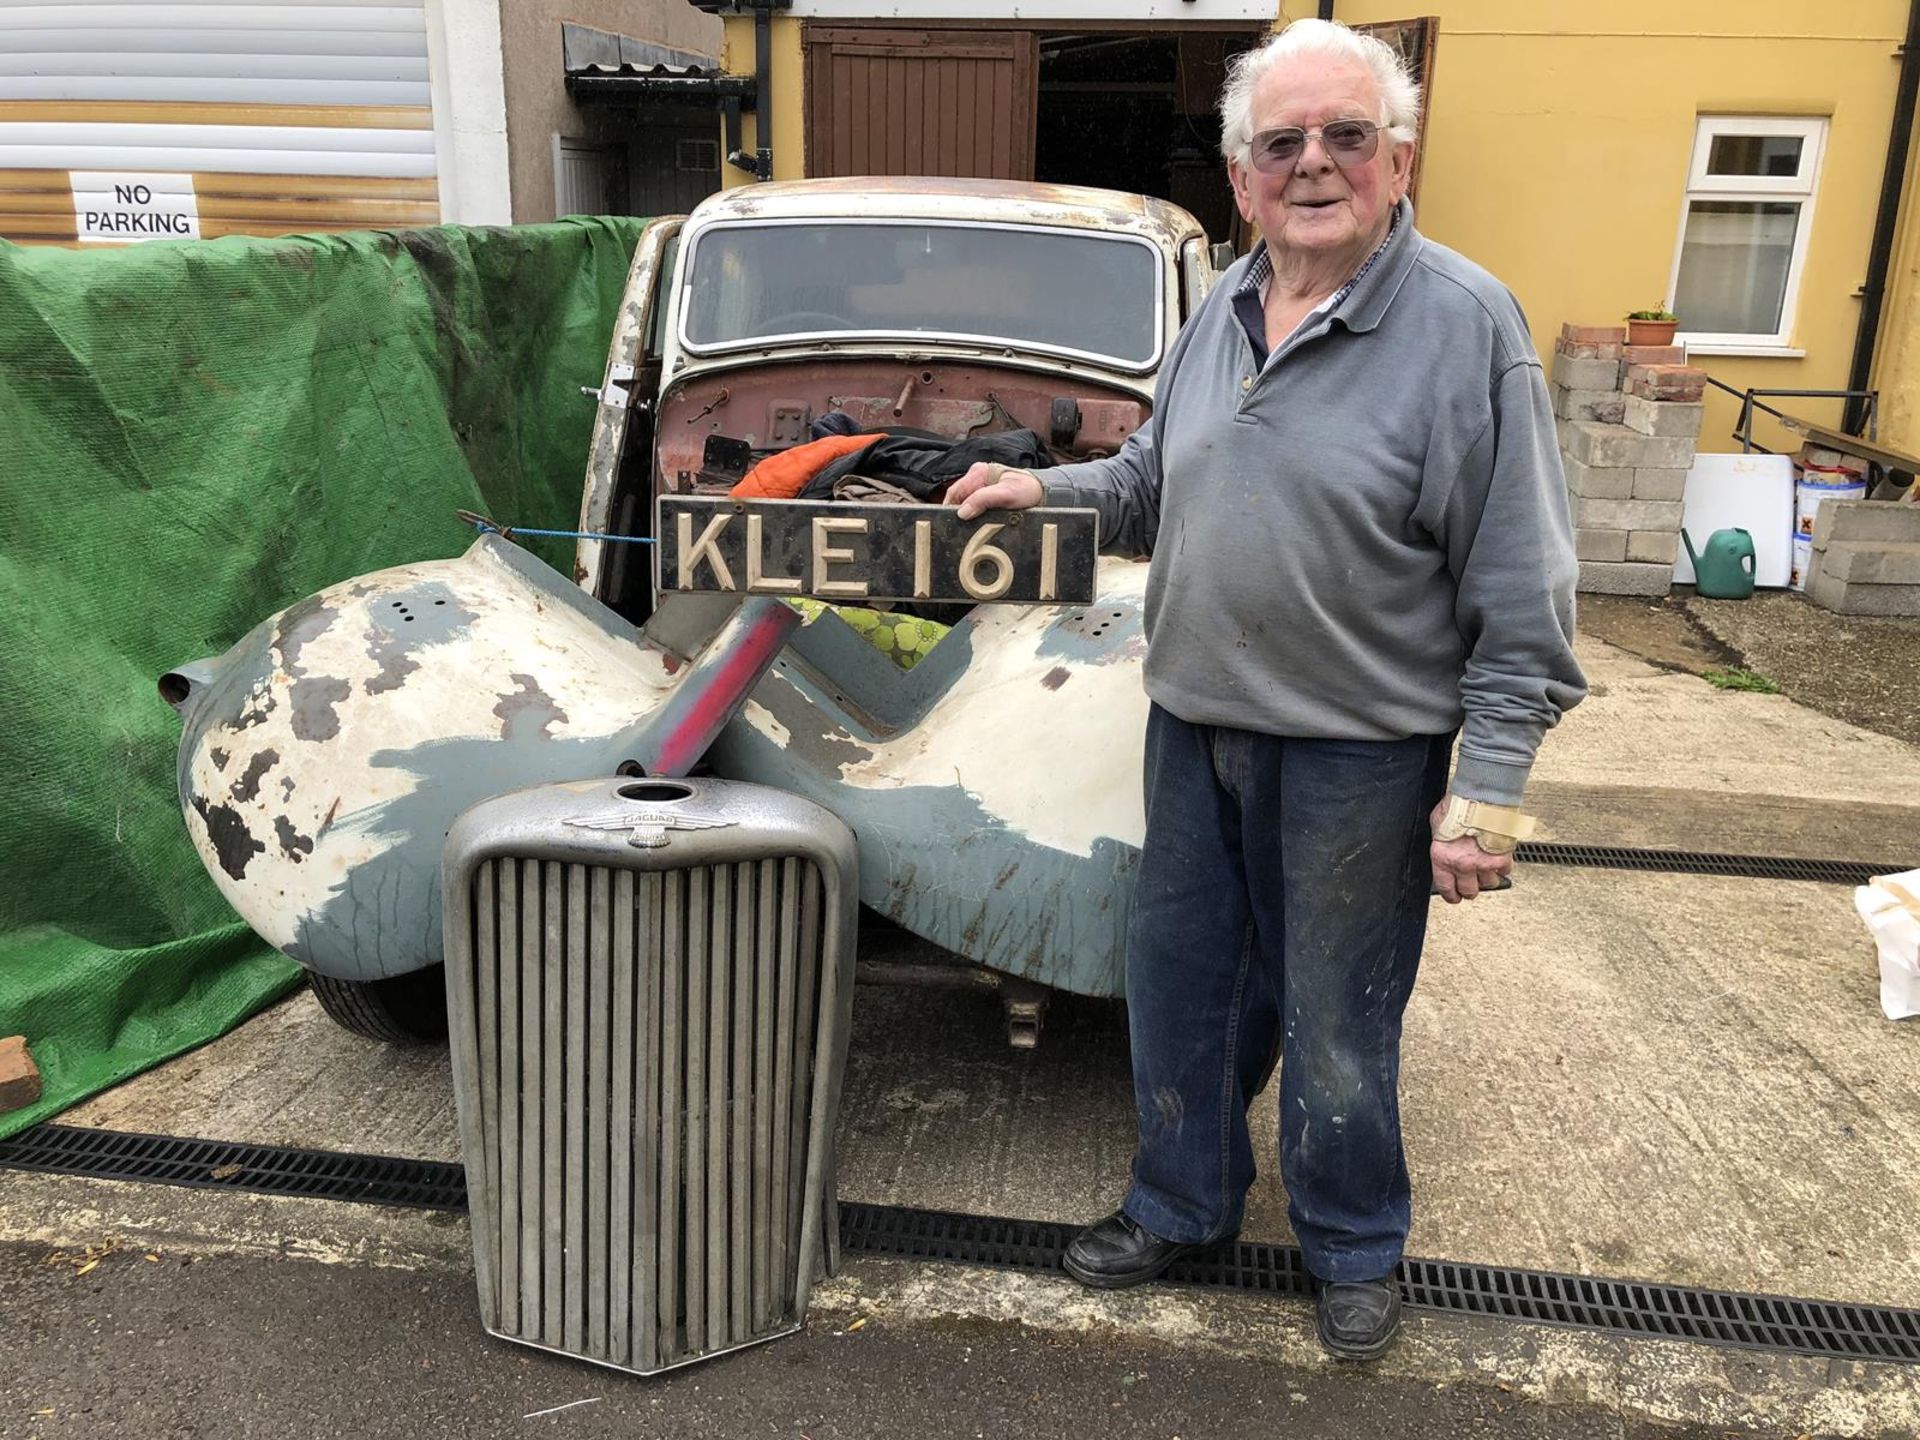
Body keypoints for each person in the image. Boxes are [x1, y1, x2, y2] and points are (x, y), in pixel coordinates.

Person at [945, 18, 1586, 1361]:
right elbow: (1147, 491)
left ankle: (1352, 1244)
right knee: (1180, 989)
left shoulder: (1466, 329)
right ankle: (1181, 1206)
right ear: (1239, 179)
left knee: (1337, 1015)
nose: (1313, 164)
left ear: (1398, 160)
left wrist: (1490, 794)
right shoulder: (1220, 309)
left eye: (1345, 136)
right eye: (1280, 142)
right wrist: (1036, 489)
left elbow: (1523, 589)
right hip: (1194, 728)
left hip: (1360, 753)